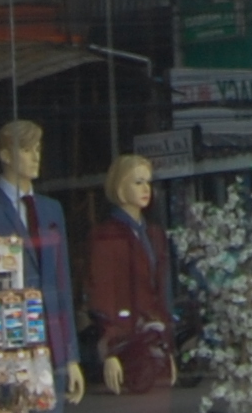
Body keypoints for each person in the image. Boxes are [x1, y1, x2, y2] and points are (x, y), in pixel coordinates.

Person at [0, 121, 87, 404]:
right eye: (27, 150)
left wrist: (70, 357)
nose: (36, 157)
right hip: (10, 343)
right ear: (6, 155)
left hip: (52, 344)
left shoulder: (51, 209)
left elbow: (62, 282)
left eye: (38, 149)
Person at [90, 152, 175, 395]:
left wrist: (168, 347)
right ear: (119, 186)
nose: (145, 188)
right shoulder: (108, 235)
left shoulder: (154, 233)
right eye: (137, 182)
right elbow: (104, 294)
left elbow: (160, 291)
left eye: (147, 182)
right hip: (126, 342)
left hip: (154, 340)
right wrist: (111, 349)